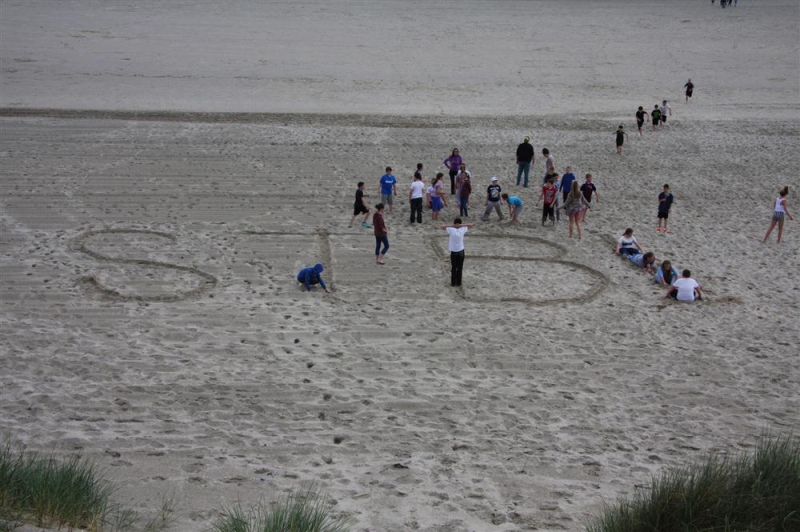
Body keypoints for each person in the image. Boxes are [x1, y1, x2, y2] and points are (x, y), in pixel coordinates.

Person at [442, 218, 474, 287]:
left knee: (454, 268)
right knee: (459, 268)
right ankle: (458, 282)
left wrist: (455, 225)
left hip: (455, 251)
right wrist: (459, 225)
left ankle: (453, 283)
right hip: (460, 251)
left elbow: (443, 226)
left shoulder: (452, 229)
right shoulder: (461, 229)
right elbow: (471, 225)